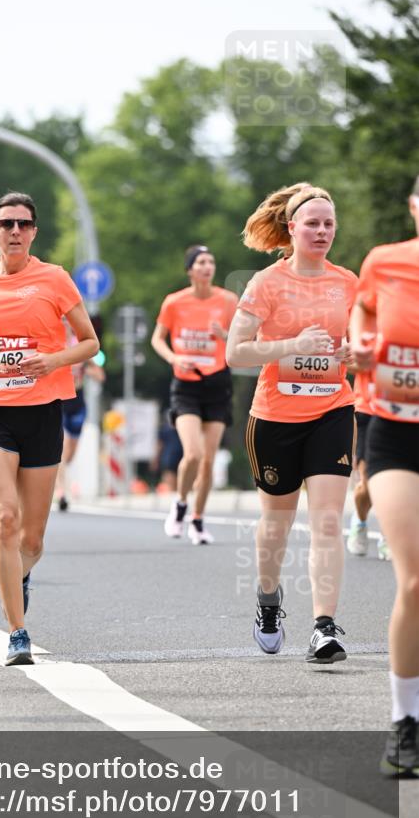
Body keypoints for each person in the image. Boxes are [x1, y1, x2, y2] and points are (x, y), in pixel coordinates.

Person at [0, 192, 99, 665]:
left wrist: (51, 360)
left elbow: (90, 342)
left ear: (33, 232)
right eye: (6, 224)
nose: (14, 231)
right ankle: (17, 632)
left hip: (42, 410)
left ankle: (19, 575)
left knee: (32, 539)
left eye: (23, 225)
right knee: (4, 518)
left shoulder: (54, 279)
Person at [226, 183, 357, 663]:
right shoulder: (266, 283)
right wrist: (290, 346)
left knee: (326, 519)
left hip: (332, 409)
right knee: (276, 524)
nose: (322, 231)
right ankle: (268, 598)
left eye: (328, 224)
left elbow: (362, 345)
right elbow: (235, 351)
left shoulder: (348, 282)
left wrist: (351, 353)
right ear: (292, 229)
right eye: (313, 223)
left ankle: (323, 627)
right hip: (275, 417)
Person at [349, 176, 419, 776]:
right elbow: (362, 315)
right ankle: (405, 722)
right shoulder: (386, 262)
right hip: (397, 430)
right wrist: (361, 347)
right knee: (414, 579)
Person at [151, 245, 237, 544]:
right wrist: (175, 358)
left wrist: (226, 336)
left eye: (211, 261)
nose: (207, 266)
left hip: (217, 385)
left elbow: (244, 339)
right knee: (193, 454)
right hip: (186, 385)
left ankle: (198, 521)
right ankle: (180, 503)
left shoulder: (227, 301)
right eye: (200, 262)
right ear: (190, 269)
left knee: (209, 460)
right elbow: (157, 339)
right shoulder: (174, 302)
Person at [54, 323, 105, 511]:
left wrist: (89, 370)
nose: (65, 326)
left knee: (70, 453)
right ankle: (61, 492)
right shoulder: (53, 345)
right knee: (62, 447)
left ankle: (55, 474)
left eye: (67, 323)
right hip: (59, 401)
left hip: (77, 402)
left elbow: (100, 373)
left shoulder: (80, 345)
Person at [345, 370, 390, 560]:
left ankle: (390, 535)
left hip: (409, 412)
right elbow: (349, 361)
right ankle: (360, 521)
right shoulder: (363, 338)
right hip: (370, 409)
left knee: (401, 481)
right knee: (369, 482)